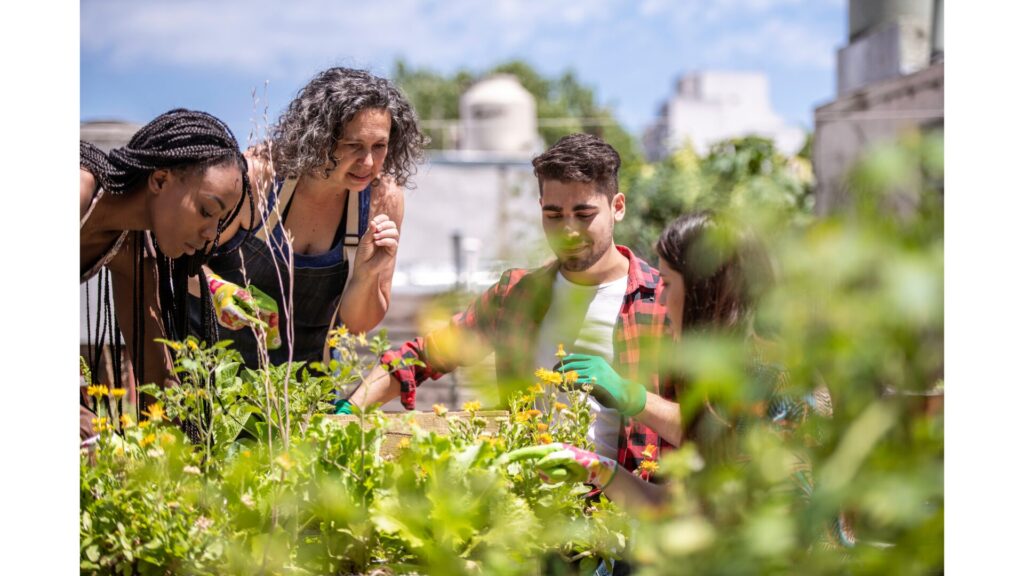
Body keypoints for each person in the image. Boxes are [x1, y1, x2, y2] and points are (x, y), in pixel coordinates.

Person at [508, 211, 853, 549]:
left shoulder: (774, 380)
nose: (659, 298)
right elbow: (676, 506)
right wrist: (594, 468)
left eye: (668, 283)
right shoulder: (725, 378)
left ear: (705, 291)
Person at [342, 133, 680, 476]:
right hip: (533, 508)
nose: (568, 230)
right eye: (554, 215)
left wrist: (632, 396)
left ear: (617, 207)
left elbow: (711, 429)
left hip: (631, 513)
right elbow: (419, 357)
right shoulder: (516, 295)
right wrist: (345, 412)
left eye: (583, 214)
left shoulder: (664, 300)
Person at [192, 67, 427, 369]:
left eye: (379, 146)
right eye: (353, 146)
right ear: (318, 137)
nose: (368, 162)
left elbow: (356, 326)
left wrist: (368, 274)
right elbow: (178, 258)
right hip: (211, 371)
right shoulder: (257, 178)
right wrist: (217, 289)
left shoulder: (382, 198)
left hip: (306, 387)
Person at [80, 108, 249, 443]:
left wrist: (185, 454)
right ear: (159, 180)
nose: (209, 234)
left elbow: (156, 374)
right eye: (205, 211)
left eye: (219, 223)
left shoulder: (131, 245)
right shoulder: (76, 189)